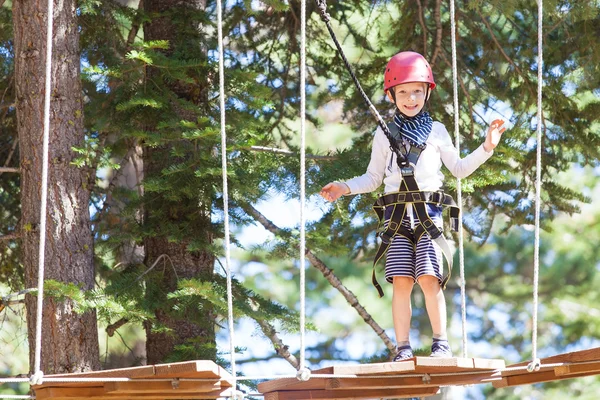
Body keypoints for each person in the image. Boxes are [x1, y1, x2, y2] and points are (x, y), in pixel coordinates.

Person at [320, 51, 506, 361]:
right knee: (402, 281)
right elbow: (373, 177)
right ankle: (403, 348)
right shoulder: (384, 133)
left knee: (430, 278)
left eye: (417, 90)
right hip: (396, 218)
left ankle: (441, 343)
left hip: (428, 214)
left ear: (427, 92)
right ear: (392, 95)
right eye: (403, 91)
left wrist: (487, 147)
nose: (410, 98)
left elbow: (458, 168)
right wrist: (344, 187)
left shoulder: (437, 132)